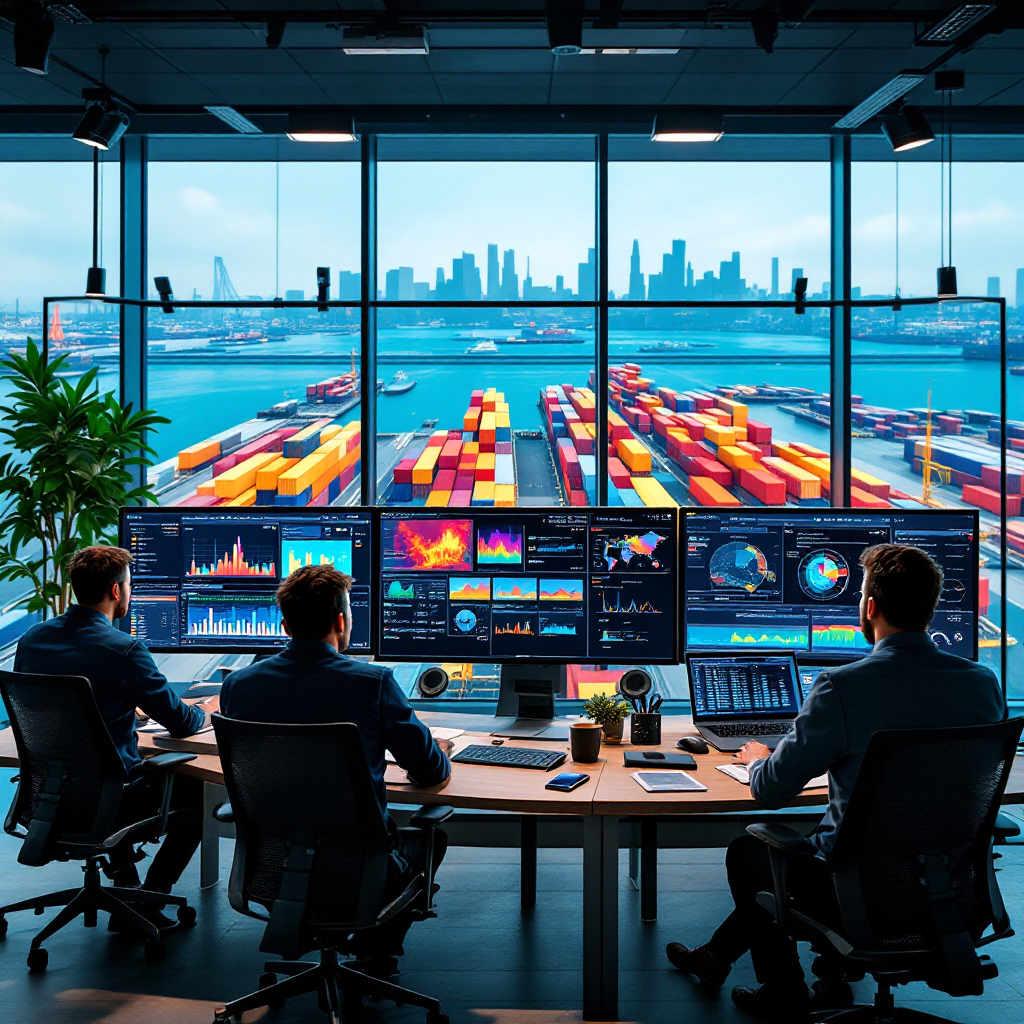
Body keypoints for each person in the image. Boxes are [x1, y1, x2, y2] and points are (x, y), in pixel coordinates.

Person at [666, 543, 1005, 1023]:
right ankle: (716, 956)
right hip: (950, 895)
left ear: (870, 607)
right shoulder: (982, 682)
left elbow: (772, 790)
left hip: (862, 896)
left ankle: (783, 989)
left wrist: (760, 759)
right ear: (930, 608)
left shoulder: (843, 687)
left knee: (751, 852)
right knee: (809, 849)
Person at [219, 563, 451, 973]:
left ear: (286, 626)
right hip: (358, 872)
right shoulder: (372, 684)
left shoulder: (238, 685)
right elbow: (430, 770)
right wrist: (437, 749)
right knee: (433, 838)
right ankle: (374, 952)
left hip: (273, 868)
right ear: (341, 622)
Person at [14, 546, 209, 927]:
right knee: (197, 791)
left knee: (108, 773)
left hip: (48, 796)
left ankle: (126, 885)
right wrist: (207, 708)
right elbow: (182, 722)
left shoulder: (33, 639)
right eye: (130, 586)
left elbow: (52, 710)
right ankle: (151, 897)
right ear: (116, 591)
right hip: (109, 802)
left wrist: (121, 707)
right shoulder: (124, 650)